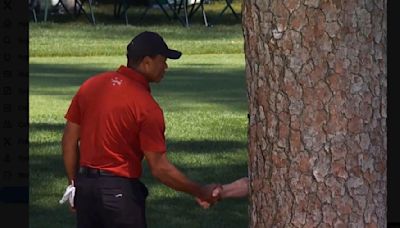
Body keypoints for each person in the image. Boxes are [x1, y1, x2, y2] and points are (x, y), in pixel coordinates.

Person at [61, 31, 221, 228]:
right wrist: (200, 190)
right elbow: (160, 168)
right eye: (162, 60)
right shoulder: (146, 106)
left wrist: (74, 185)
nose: (166, 67)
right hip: (119, 193)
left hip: (85, 188)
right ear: (147, 62)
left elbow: (69, 140)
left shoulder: (90, 86)